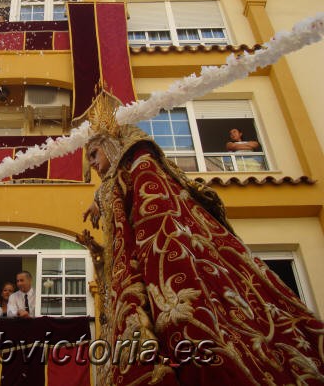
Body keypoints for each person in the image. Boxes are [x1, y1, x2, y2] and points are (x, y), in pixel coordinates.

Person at [81, 93, 324, 385]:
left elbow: (154, 220)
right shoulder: (121, 180)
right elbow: (128, 244)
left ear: (110, 145)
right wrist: (101, 249)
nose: (92, 164)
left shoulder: (141, 166)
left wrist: (105, 196)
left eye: (94, 154)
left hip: (171, 270)